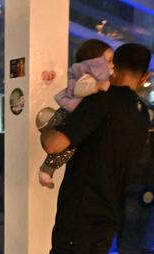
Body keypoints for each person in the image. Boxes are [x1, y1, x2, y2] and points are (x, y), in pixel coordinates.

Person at [30, 43, 152, 254]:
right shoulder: (141, 114)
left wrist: (46, 125)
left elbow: (56, 144)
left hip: (81, 224)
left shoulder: (101, 103)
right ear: (146, 76)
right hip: (96, 222)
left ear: (112, 67)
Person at [37, 39, 114, 189]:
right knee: (67, 147)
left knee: (67, 147)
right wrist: (98, 86)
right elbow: (80, 89)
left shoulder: (89, 76)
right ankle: (46, 171)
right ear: (95, 63)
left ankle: (46, 171)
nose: (112, 65)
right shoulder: (87, 78)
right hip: (67, 115)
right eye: (109, 61)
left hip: (68, 115)